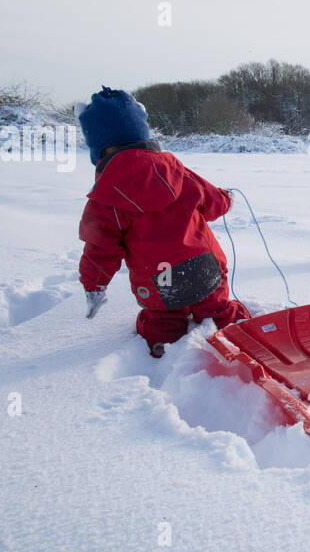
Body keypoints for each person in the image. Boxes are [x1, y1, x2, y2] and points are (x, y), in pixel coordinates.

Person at [75, 86, 249, 357]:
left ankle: (162, 349)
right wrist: (227, 197)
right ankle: (235, 328)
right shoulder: (176, 170)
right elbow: (213, 201)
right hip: (205, 266)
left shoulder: (106, 196)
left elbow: (99, 248)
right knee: (218, 308)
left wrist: (94, 286)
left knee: (162, 321)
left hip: (159, 278)